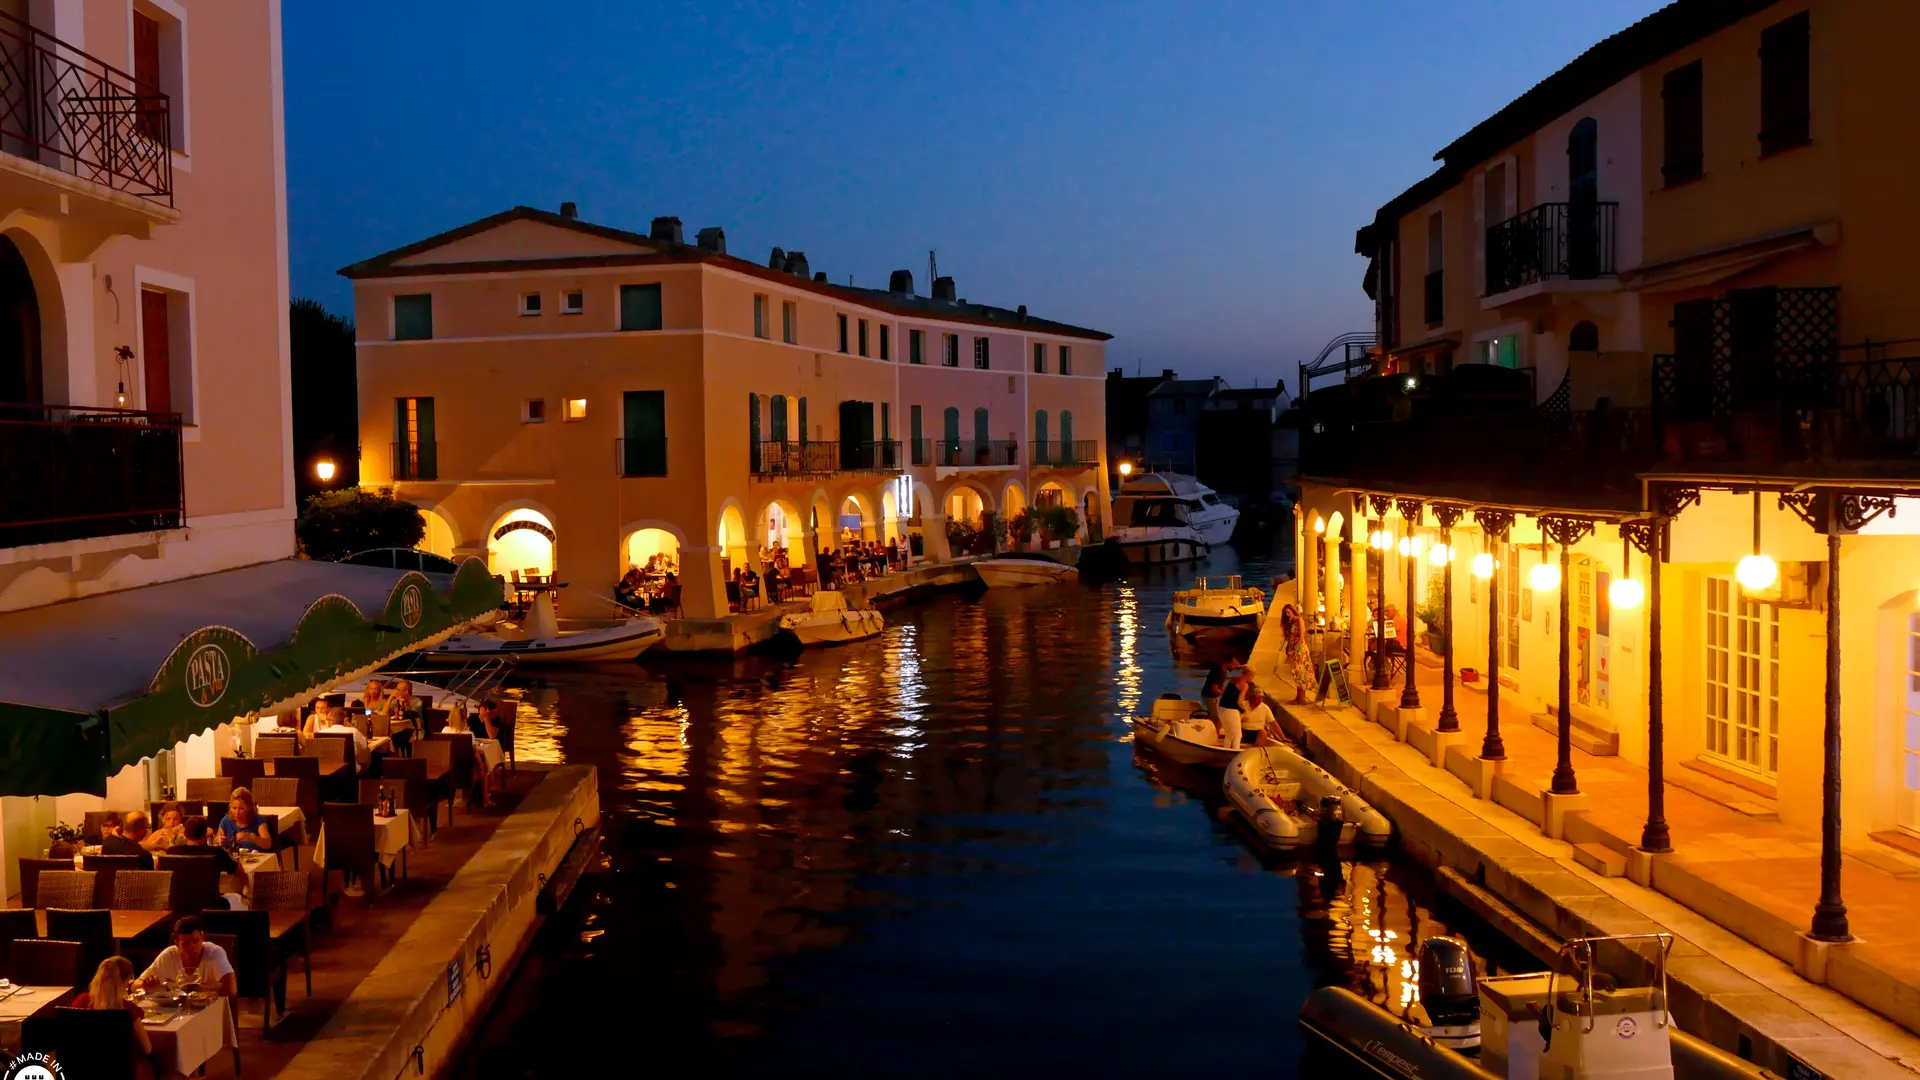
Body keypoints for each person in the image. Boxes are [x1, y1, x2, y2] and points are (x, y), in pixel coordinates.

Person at [74, 956, 158, 1080]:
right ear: (123, 982)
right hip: (124, 1072)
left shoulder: (80, 1002)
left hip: (85, 1070)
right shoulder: (128, 1010)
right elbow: (148, 1049)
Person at [140, 916, 236, 999]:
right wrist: (148, 985)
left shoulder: (214, 953)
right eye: (185, 944)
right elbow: (135, 986)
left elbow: (231, 989)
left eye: (195, 941)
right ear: (176, 944)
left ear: (202, 937)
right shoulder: (169, 955)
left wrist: (199, 988)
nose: (192, 947)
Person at [168, 816, 246, 888]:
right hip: (210, 902)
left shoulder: (171, 852)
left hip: (177, 902)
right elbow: (240, 873)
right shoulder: (217, 853)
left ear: (185, 835)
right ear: (205, 835)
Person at [217, 788, 273, 853]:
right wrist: (219, 840)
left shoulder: (258, 820)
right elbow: (216, 839)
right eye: (234, 808)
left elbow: (268, 844)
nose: (237, 812)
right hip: (233, 860)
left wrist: (251, 838)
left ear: (249, 808)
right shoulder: (226, 820)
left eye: (241, 809)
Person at [1218, 668, 1250, 750]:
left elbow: (1223, 692)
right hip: (1232, 710)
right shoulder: (1245, 685)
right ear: (1249, 675)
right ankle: (1235, 752)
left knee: (1229, 734)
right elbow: (1239, 701)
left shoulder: (1232, 680)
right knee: (1237, 735)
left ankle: (1225, 750)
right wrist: (1244, 710)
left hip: (1221, 708)